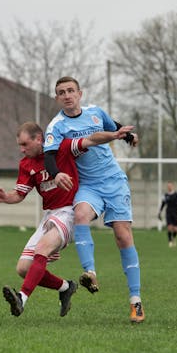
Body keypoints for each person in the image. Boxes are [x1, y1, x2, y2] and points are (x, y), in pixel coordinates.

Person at [0, 122, 133, 317]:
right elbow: (19, 194)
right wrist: (5, 197)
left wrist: (115, 135)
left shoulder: (61, 148)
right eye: (19, 146)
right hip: (50, 215)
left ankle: (21, 298)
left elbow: (89, 139)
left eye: (24, 144)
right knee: (23, 268)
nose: (21, 149)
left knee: (42, 249)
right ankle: (65, 287)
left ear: (39, 139)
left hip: (70, 211)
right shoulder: (26, 164)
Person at [43, 76, 144, 323]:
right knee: (80, 215)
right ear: (57, 98)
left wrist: (128, 136)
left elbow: (113, 127)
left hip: (115, 182)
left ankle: (136, 301)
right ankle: (90, 272)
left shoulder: (96, 112)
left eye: (70, 90)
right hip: (88, 185)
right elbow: (49, 155)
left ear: (80, 93)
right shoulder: (56, 126)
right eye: (61, 92)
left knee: (123, 236)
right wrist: (56, 175)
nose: (67, 95)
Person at [158, 181, 177, 247]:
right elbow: (163, 204)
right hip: (168, 212)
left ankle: (174, 238)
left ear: (173, 186)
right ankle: (170, 241)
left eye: (170, 186)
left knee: (176, 229)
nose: (169, 187)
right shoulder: (165, 195)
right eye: (168, 186)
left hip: (175, 212)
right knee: (169, 227)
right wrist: (160, 212)